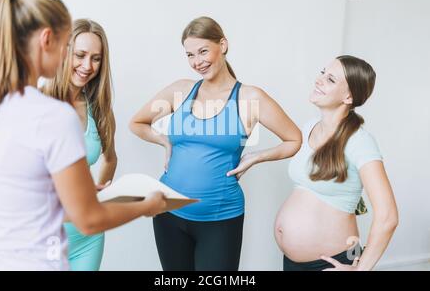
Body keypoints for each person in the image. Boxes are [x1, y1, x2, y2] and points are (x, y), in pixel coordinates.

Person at [0, 0, 166, 271]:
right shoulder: (54, 116)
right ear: (47, 39)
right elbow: (88, 219)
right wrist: (147, 206)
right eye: (68, 45)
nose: (80, 62)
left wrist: (73, 188)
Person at [130, 16, 302, 271]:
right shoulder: (181, 90)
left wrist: (255, 157)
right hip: (167, 213)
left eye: (203, 51)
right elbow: (137, 123)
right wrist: (164, 141)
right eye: (190, 55)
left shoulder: (249, 98)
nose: (197, 62)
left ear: (222, 45)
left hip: (220, 219)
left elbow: (294, 139)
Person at [274, 55, 399, 271]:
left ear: (349, 96)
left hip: (334, 263)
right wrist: (253, 158)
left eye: (331, 79)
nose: (319, 80)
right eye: (323, 72)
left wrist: (359, 270)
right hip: (292, 262)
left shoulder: (360, 141)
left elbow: (388, 217)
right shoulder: (309, 127)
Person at [43, 19, 116, 271]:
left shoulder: (99, 109)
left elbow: (109, 157)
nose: (87, 66)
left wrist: (101, 193)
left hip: (88, 236)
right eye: (81, 55)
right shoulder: (36, 102)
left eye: (96, 58)